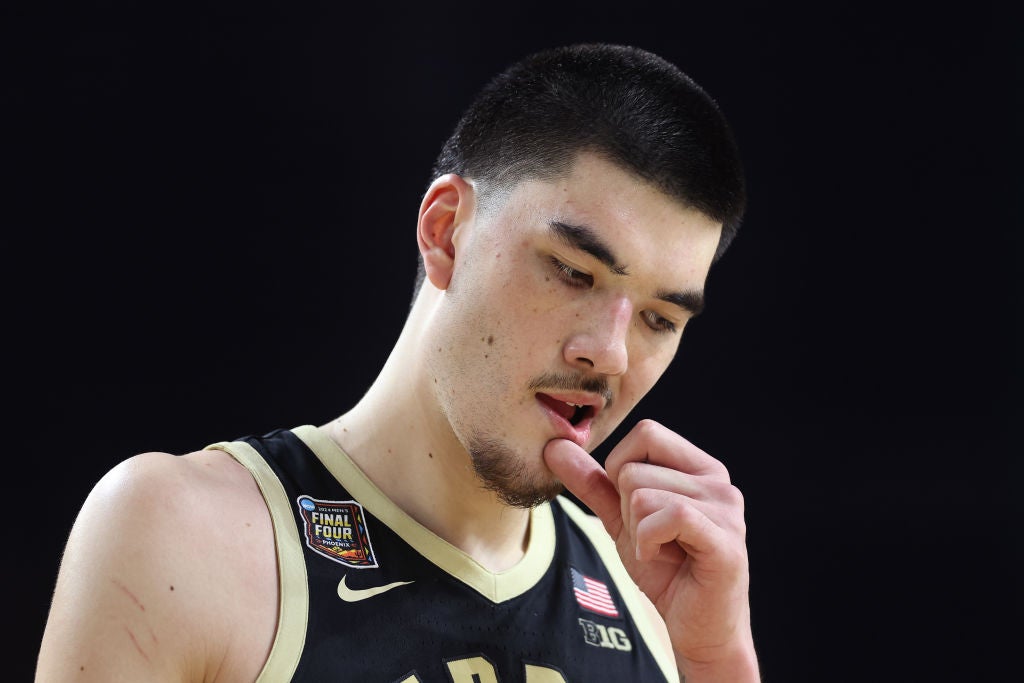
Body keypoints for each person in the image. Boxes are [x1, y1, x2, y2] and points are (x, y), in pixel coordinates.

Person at [36, 43, 760, 682]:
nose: (608, 352)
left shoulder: (651, 596)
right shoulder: (183, 535)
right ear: (446, 232)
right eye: (573, 273)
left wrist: (716, 660)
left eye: (660, 319)